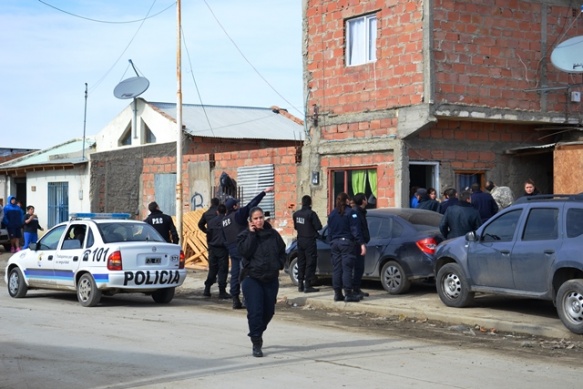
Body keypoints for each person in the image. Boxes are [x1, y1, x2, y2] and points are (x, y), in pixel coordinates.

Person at [238, 206, 286, 357]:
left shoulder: (272, 234)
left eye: (261, 218)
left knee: (269, 311)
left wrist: (279, 264)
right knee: (255, 311)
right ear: (250, 221)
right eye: (256, 219)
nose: (259, 221)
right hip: (252, 278)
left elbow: (282, 250)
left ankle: (257, 330)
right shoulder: (245, 235)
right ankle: (256, 342)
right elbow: (245, 252)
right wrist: (251, 234)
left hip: (270, 278)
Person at [222, 186, 274, 309]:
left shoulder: (224, 220)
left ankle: (235, 299)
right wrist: (263, 192)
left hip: (232, 250)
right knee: (247, 274)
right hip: (243, 248)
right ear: (234, 207)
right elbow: (252, 204)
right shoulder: (238, 215)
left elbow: (224, 237)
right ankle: (246, 299)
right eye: (237, 205)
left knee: (235, 274)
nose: (239, 206)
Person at [327, 192, 365, 303]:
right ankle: (348, 293)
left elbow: (329, 231)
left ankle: (337, 294)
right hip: (346, 243)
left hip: (335, 243)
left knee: (337, 269)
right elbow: (355, 230)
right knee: (347, 268)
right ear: (347, 201)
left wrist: (331, 242)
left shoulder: (332, 214)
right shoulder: (351, 213)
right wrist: (361, 243)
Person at [293, 195, 323, 293]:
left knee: (301, 262)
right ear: (310, 203)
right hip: (309, 241)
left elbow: (296, 227)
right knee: (310, 262)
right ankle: (308, 285)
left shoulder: (296, 214)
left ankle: (300, 284)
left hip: (300, 240)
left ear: (302, 203)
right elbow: (318, 227)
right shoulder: (311, 214)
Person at [203, 204, 231, 299]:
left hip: (212, 248)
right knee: (222, 270)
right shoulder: (227, 221)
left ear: (217, 212)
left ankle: (207, 289)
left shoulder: (211, 222)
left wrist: (210, 245)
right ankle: (222, 291)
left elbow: (208, 235)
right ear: (225, 211)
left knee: (212, 269)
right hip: (222, 248)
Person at [351, 193, 371, 299]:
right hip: (356, 244)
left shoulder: (361, 212)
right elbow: (356, 230)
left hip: (360, 242)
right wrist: (361, 243)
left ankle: (357, 288)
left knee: (360, 268)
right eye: (366, 198)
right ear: (363, 201)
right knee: (357, 267)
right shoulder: (356, 212)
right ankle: (354, 290)